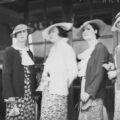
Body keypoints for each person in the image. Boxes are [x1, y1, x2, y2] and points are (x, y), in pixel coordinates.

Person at [36, 22, 78, 120]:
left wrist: (63, 83)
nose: (51, 34)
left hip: (58, 93)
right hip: (47, 91)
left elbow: (73, 71)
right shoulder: (53, 49)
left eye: (53, 31)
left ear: (60, 32)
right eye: (50, 32)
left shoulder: (67, 48)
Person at [2, 24, 36, 120]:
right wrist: (9, 95)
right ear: (15, 35)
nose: (21, 34)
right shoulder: (9, 51)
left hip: (29, 95)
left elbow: (32, 75)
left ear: (27, 33)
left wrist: (35, 92)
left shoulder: (29, 52)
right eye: (19, 32)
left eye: (24, 31)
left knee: (28, 117)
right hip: (16, 94)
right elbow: (6, 75)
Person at [77, 19, 110, 120]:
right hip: (84, 93)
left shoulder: (100, 48)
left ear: (95, 31)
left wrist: (89, 92)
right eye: (83, 30)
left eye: (88, 29)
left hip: (93, 95)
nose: (85, 32)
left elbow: (99, 73)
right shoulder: (86, 52)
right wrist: (83, 93)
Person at [106, 12, 120, 120]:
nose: (119, 25)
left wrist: (116, 72)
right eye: (118, 23)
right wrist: (112, 67)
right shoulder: (118, 47)